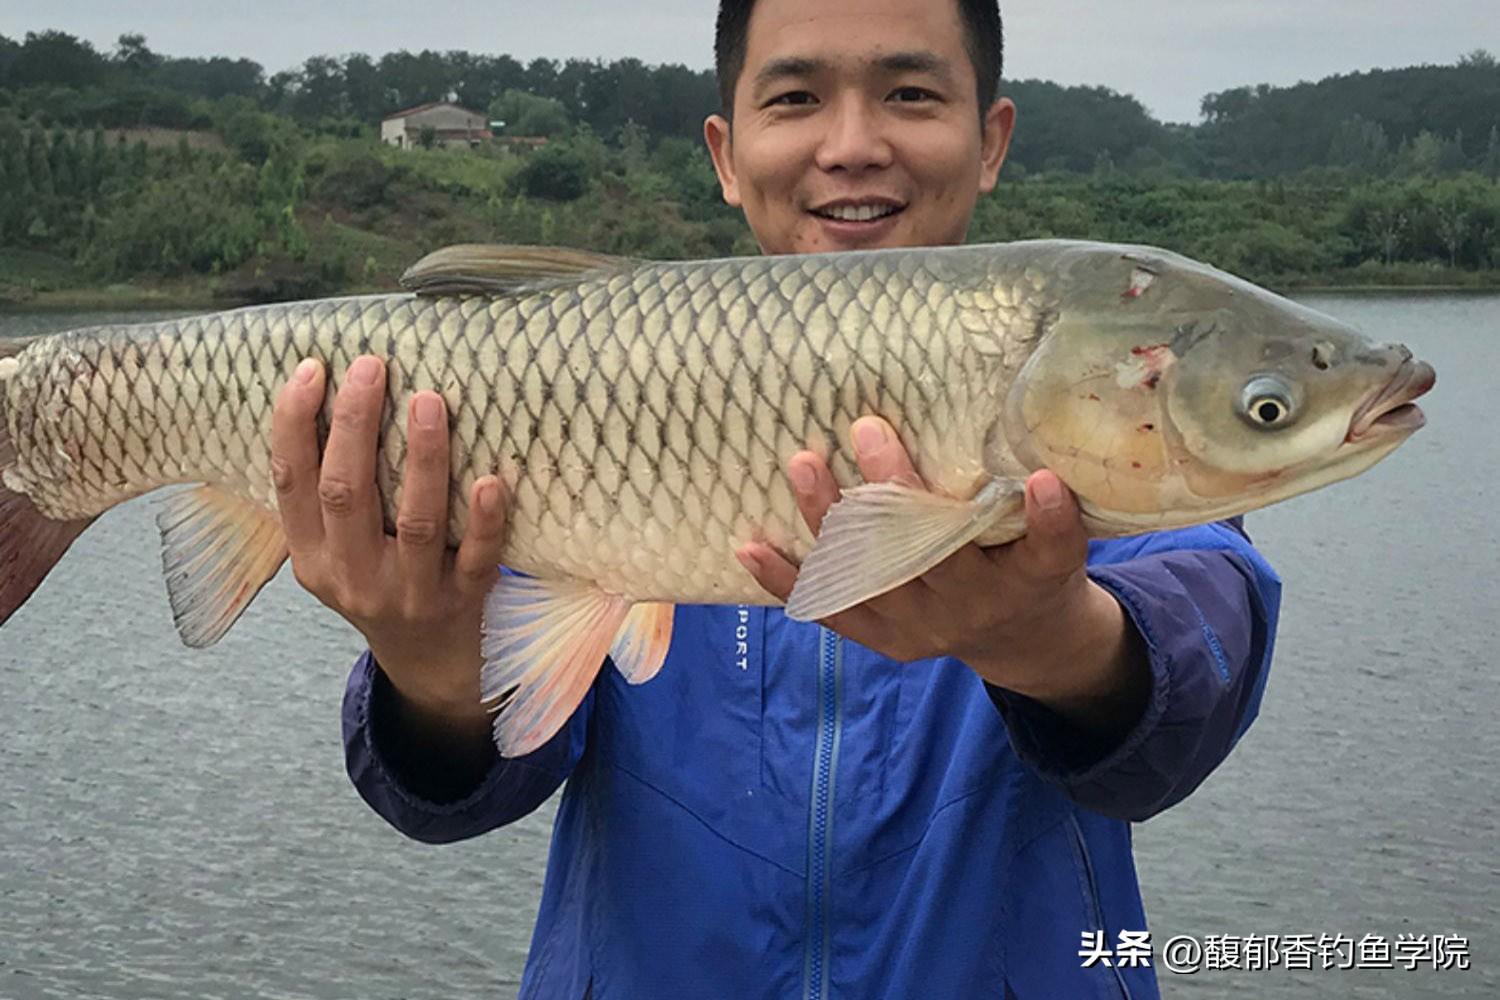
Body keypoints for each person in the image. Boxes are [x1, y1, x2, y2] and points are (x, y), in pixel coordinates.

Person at [268, 0, 1281, 995]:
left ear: (990, 138)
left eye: (911, 93)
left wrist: (1056, 643)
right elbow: (455, 792)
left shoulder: (1085, 407)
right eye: (795, 97)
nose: (851, 145)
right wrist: (431, 679)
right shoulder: (586, 390)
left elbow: (1206, 631)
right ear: (725, 150)